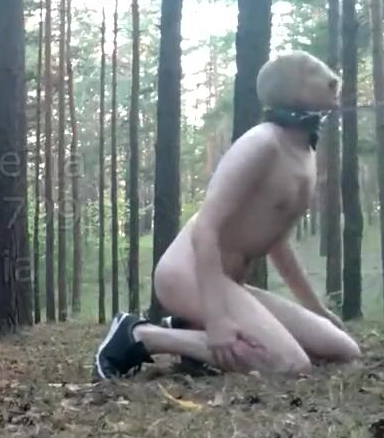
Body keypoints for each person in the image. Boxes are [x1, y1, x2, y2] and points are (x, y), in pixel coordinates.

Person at [94, 50, 362, 380]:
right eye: (312, 71)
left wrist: (317, 309)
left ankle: (191, 331)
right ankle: (141, 335)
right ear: (291, 92)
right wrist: (217, 319)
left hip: (229, 285)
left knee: (343, 350)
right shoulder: (262, 143)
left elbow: (278, 244)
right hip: (186, 275)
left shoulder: (304, 153)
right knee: (290, 364)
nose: (331, 78)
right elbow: (205, 227)